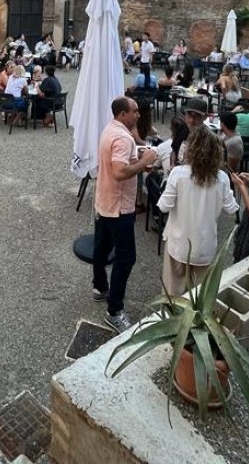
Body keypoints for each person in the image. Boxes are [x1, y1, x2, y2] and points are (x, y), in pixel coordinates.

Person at [92, 97, 157, 334]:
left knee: (102, 246)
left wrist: (137, 160)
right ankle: (114, 310)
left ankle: (100, 286)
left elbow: (116, 165)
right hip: (119, 207)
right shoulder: (121, 137)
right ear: (122, 114)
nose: (138, 115)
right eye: (135, 111)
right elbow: (120, 172)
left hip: (105, 201)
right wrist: (145, 161)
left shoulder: (110, 129)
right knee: (126, 257)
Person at [157, 128, 239, 295]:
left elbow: (163, 206)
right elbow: (232, 208)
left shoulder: (178, 174)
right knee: (198, 297)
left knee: (172, 296)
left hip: (178, 245)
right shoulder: (222, 177)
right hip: (205, 247)